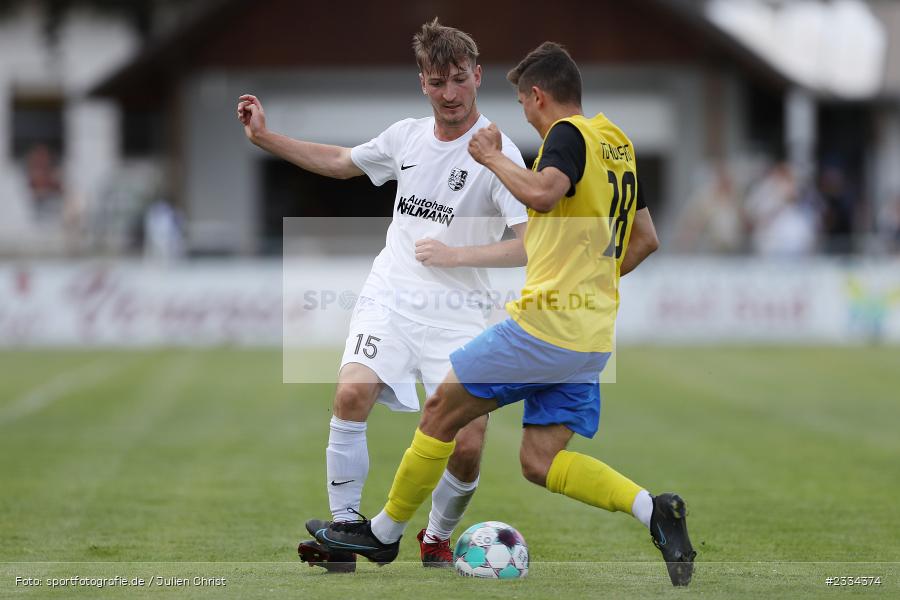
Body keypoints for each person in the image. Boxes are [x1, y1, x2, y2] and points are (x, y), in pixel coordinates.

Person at [311, 42, 696, 587]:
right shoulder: (619, 144)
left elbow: (542, 194)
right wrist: (588, 286)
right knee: (540, 462)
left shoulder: (567, 136)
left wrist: (490, 156)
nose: (522, 113)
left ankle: (382, 533)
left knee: (442, 410)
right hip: (590, 336)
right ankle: (651, 508)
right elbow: (647, 239)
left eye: (521, 102)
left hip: (542, 329)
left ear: (538, 95)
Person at [237, 19, 529, 572]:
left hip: (458, 312)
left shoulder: (498, 151)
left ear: (478, 77)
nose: (449, 94)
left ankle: (437, 537)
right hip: (391, 295)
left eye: (459, 80)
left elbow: (528, 246)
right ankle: (345, 532)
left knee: (467, 441)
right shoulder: (406, 137)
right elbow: (340, 162)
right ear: (423, 81)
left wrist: (457, 257)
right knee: (350, 394)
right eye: (438, 81)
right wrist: (264, 138)